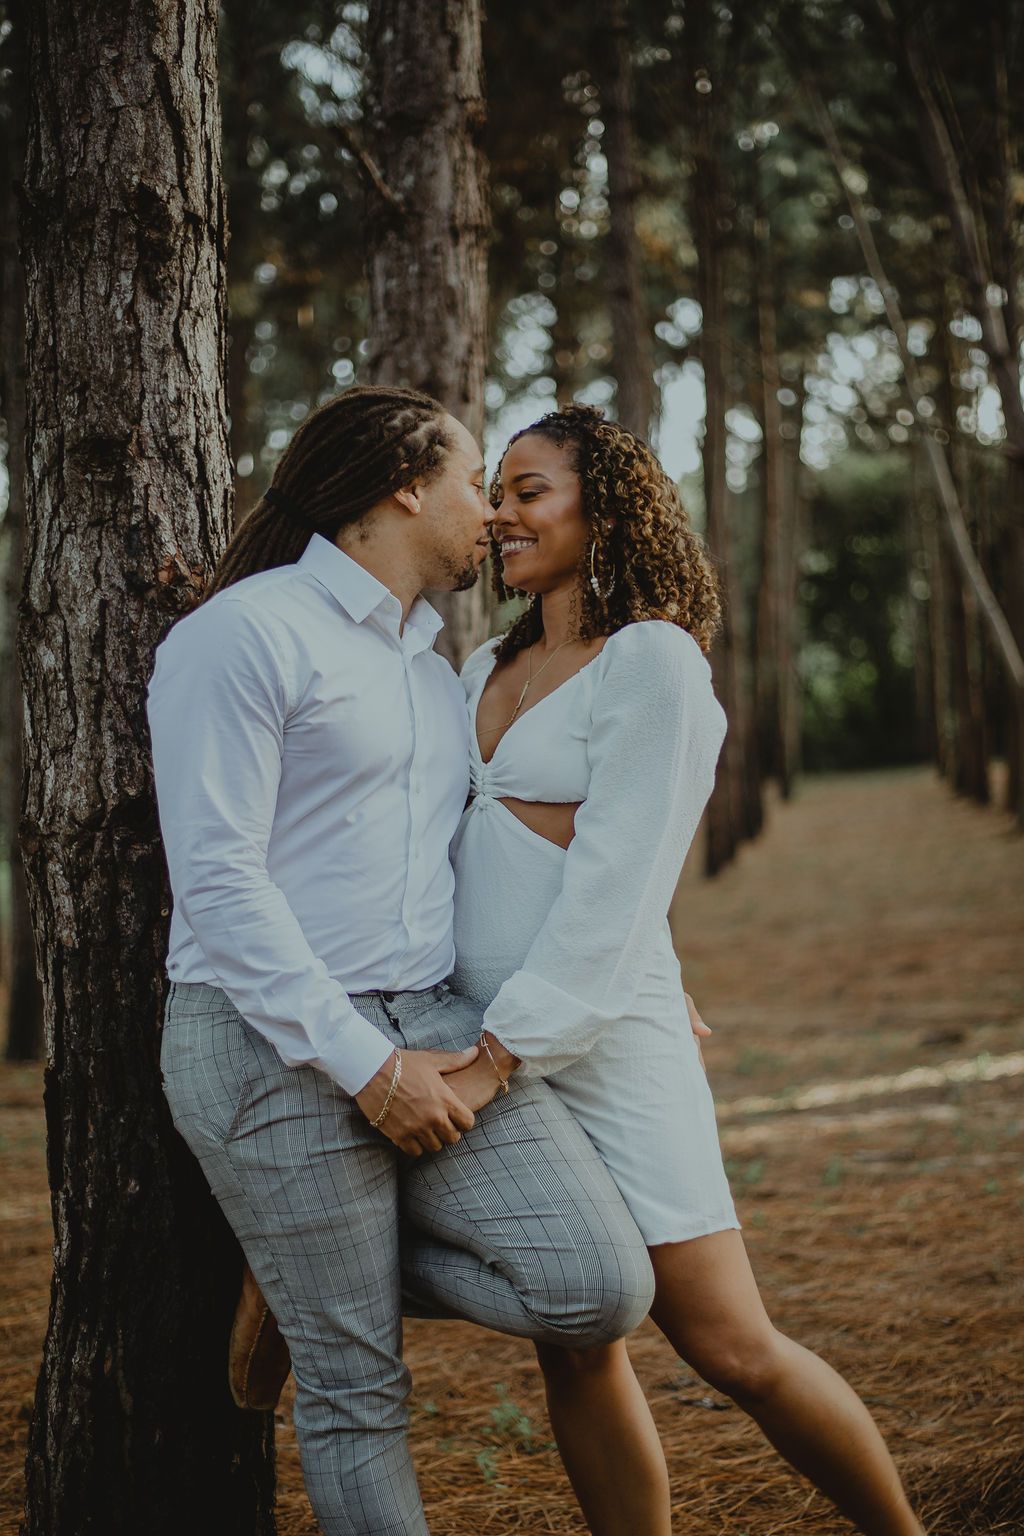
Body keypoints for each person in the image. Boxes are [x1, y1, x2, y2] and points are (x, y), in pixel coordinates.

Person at [146, 385, 656, 1536]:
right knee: (355, 1388)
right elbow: (219, 885)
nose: (492, 511)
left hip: (432, 1019)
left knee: (596, 1287)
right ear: (405, 485)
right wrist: (365, 1070)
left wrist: (624, 963)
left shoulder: (434, 667)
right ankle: (313, 1270)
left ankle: (303, 1265)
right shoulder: (244, 633)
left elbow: (493, 861)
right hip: (267, 1036)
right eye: (477, 481)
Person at [451, 402, 925, 1536]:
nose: (499, 513)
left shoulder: (651, 662)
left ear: (601, 508)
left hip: (596, 1040)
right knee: (575, 1342)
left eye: (528, 490)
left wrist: (500, 1053)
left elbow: (619, 881)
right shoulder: (479, 659)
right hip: (482, 1033)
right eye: (496, 491)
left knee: (728, 1344)